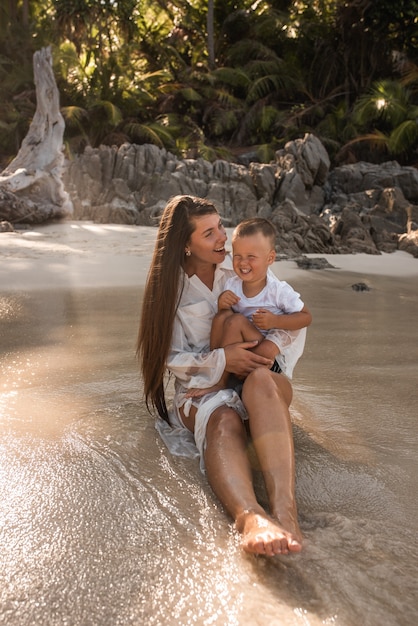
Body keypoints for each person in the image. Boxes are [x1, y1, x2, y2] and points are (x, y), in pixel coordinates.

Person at [137, 195, 309, 557]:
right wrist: (222, 359)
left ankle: (285, 511)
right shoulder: (170, 291)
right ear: (185, 244)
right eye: (209, 233)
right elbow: (170, 358)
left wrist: (266, 353)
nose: (222, 239)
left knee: (261, 382)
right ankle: (250, 517)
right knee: (224, 417)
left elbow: (288, 317)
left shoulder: (243, 264)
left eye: (221, 227)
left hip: (259, 376)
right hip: (201, 389)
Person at [186, 217, 312, 398]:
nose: (243, 263)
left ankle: (220, 383)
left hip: (269, 359)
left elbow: (306, 317)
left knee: (236, 320)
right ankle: (216, 372)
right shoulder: (232, 284)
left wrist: (275, 320)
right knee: (222, 317)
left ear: (270, 258)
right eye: (238, 256)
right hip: (242, 349)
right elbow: (225, 322)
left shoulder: (277, 290)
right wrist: (223, 305)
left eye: (251, 257)